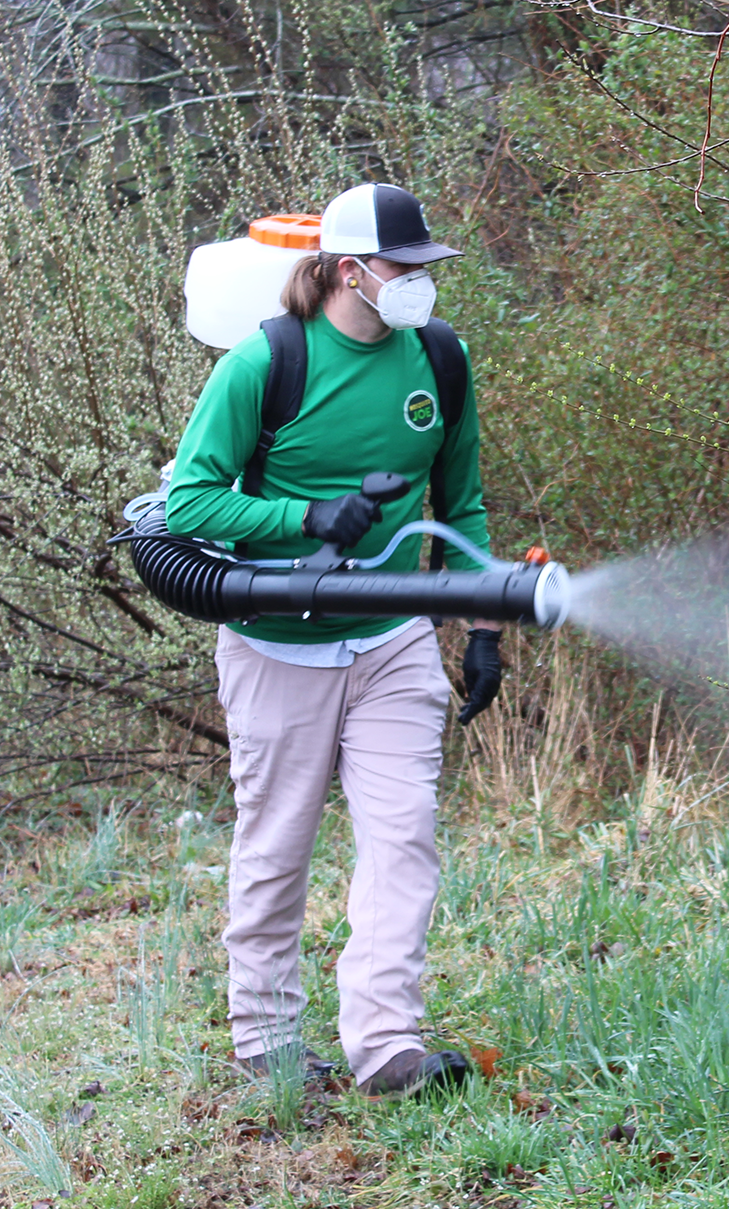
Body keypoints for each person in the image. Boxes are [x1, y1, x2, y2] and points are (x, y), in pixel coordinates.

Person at [165, 182, 503, 1099]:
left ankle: (387, 1044)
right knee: (277, 847)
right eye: (405, 268)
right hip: (276, 646)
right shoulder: (265, 363)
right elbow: (190, 499)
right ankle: (267, 1040)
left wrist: (481, 630)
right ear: (349, 271)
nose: (421, 284)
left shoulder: (439, 359)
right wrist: (304, 514)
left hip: (393, 644)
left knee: (405, 839)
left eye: (427, 268)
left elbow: (460, 508)